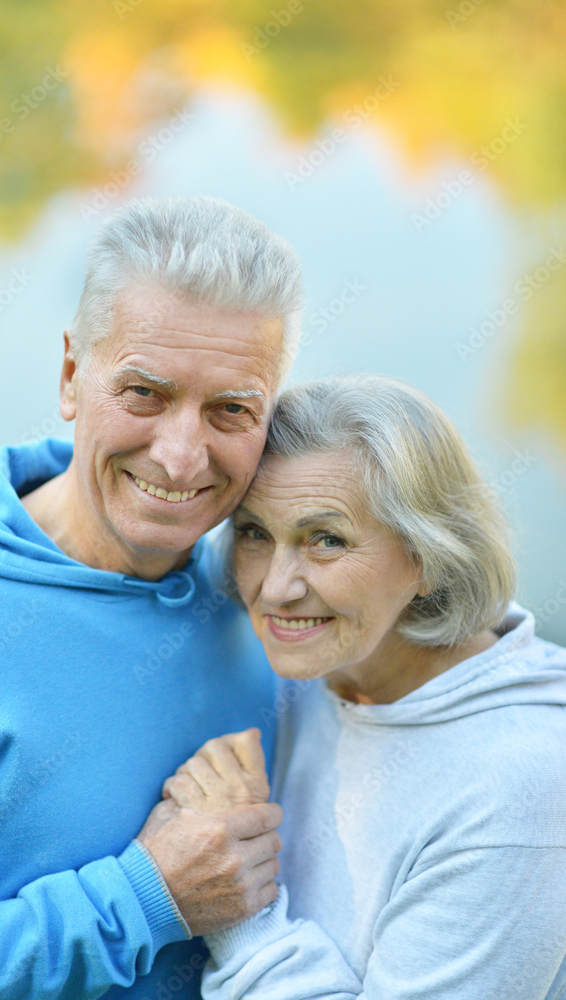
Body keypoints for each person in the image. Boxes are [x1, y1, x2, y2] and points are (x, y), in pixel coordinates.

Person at [0, 195, 302, 998]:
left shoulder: (274, 593)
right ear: (71, 376)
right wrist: (143, 899)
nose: (184, 458)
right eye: (145, 393)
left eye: (231, 410)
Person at [161, 375, 566, 999]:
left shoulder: (521, 783)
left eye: (327, 540)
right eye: (254, 533)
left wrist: (241, 915)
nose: (275, 589)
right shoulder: (322, 668)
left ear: (430, 557)